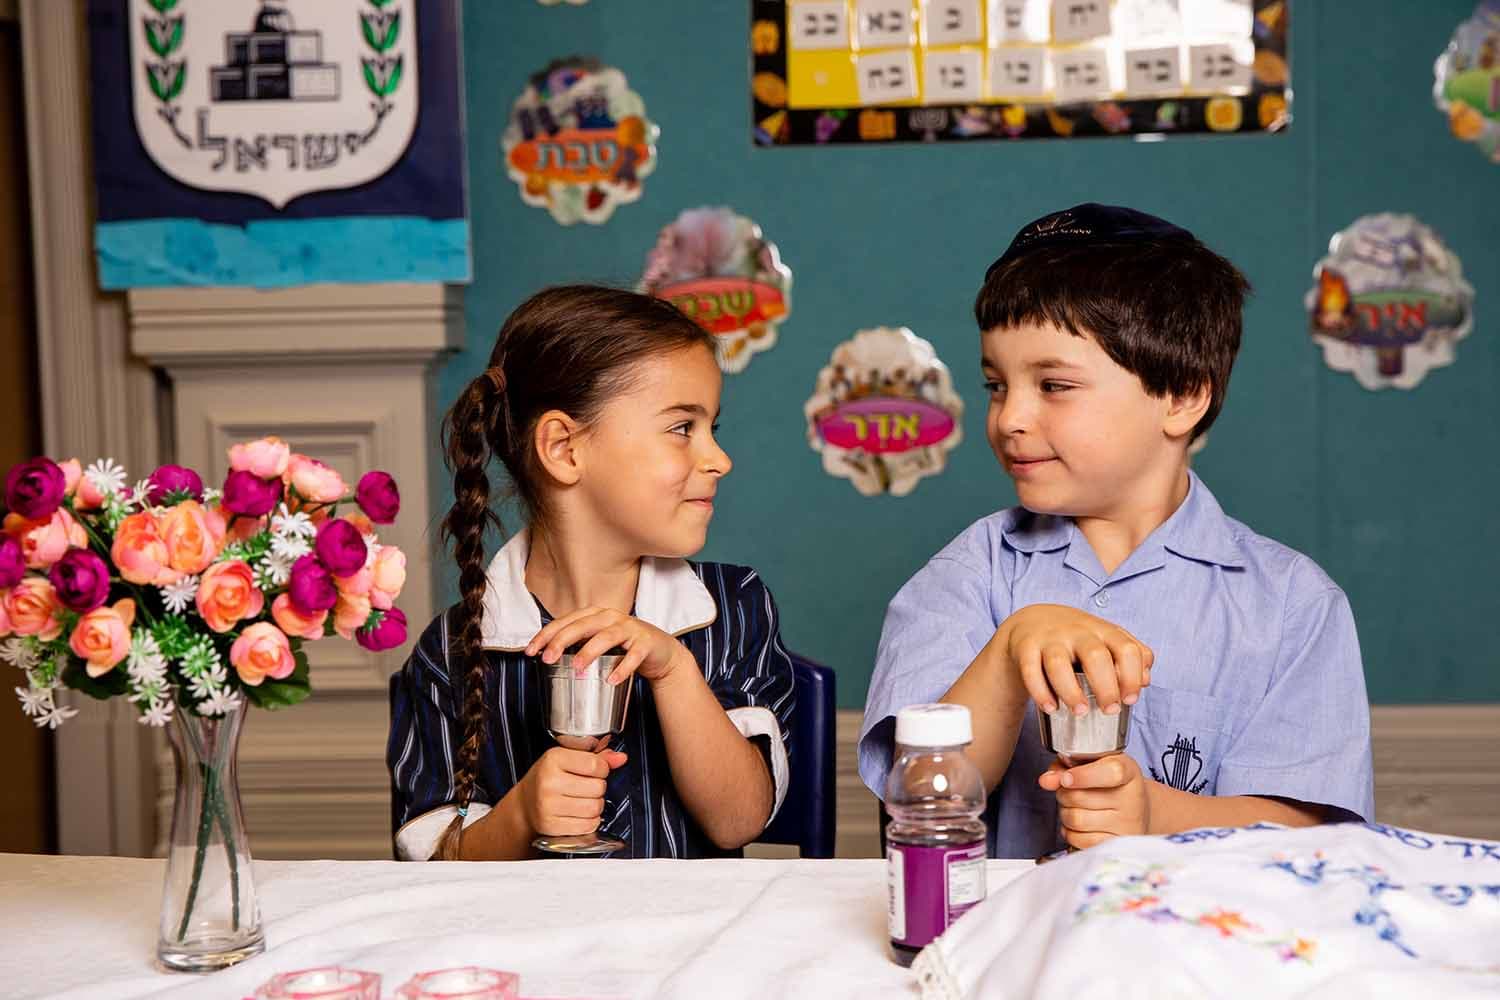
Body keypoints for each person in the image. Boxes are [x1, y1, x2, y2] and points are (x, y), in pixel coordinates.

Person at [860, 204, 1373, 858]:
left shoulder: (1294, 606)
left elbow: (1319, 842)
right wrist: (1011, 646)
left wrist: (1156, 811)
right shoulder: (968, 573)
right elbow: (923, 796)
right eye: (995, 385)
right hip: (1009, 945)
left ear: (1183, 395)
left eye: (1053, 385)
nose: (1010, 417)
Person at [389, 285, 794, 861]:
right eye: (683, 427)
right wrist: (520, 816)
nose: (718, 459)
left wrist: (674, 669)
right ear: (564, 448)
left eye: (713, 429)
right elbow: (430, 870)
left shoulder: (732, 607)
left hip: (690, 944)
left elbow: (737, 821)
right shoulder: (449, 655)